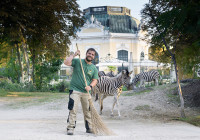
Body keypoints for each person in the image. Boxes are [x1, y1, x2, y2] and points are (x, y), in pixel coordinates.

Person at [64, 48, 99, 135]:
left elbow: (95, 80)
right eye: (89, 53)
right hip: (75, 90)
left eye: (92, 54)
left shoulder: (94, 68)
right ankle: (70, 128)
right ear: (86, 53)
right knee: (73, 109)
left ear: (94, 57)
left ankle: (89, 128)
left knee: (88, 111)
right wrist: (74, 54)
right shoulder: (78, 61)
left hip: (86, 92)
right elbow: (66, 62)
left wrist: (90, 86)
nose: (90, 55)